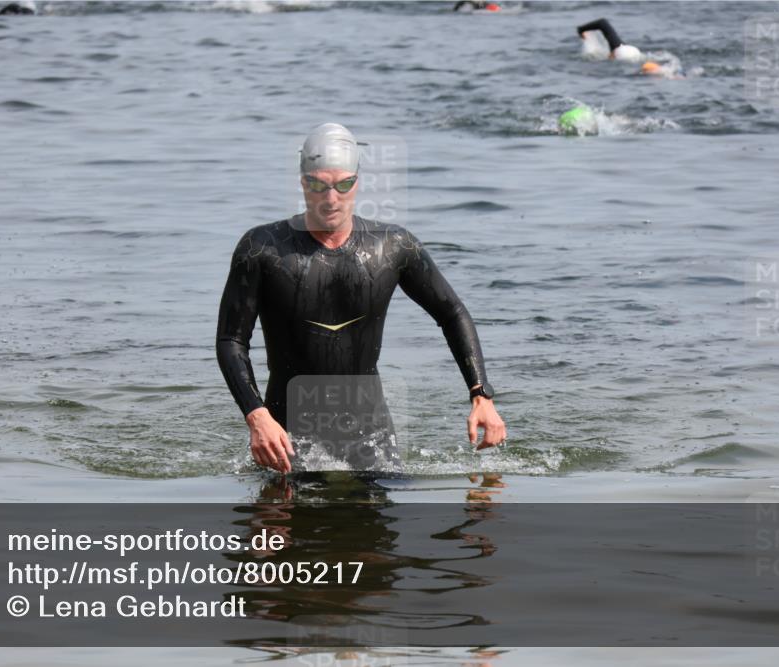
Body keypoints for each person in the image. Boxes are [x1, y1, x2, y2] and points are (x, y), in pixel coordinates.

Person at [216, 123, 506, 474]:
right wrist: (256, 415)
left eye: (343, 185)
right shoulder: (262, 248)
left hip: (371, 435)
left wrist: (481, 394)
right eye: (318, 185)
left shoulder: (392, 245)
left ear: (358, 181)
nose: (331, 198)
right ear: (302, 181)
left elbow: (451, 311)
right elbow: (232, 339)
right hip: (285, 433)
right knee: (278, 523)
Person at [576, 18, 643, 62]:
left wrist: (580, 30)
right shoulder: (617, 45)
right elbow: (602, 23)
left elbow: (602, 22)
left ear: (615, 56)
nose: (609, 56)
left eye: (612, 56)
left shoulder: (616, 47)